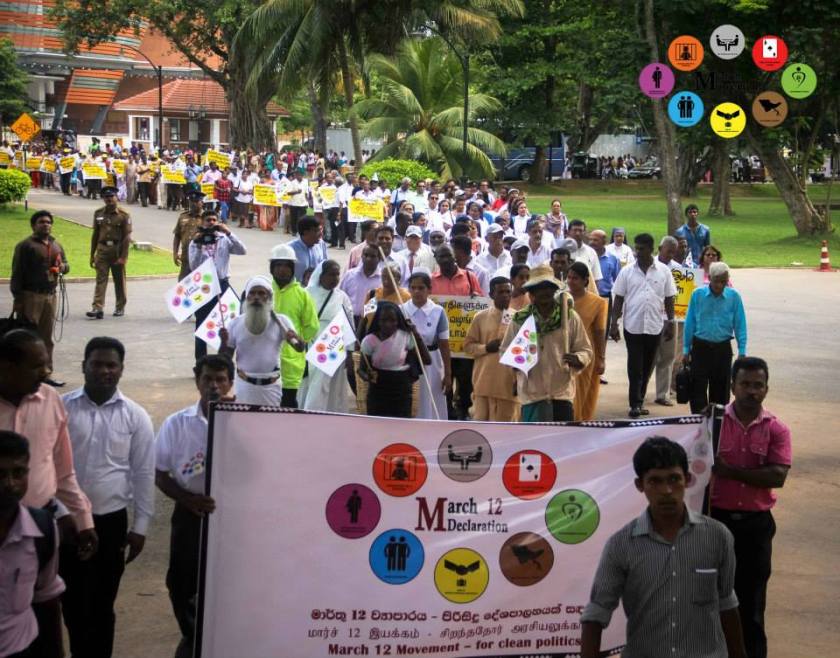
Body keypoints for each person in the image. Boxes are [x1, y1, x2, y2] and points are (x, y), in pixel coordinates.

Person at [580, 437, 747, 658]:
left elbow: (727, 603)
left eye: (674, 479)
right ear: (640, 485)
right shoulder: (621, 545)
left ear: (687, 480)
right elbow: (596, 613)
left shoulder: (718, 536)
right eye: (655, 481)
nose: (667, 490)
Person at [60, 337, 155, 658]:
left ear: (121, 370)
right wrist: (60, 516)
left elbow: (143, 473)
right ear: (84, 366)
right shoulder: (62, 409)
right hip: (67, 522)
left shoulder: (135, 416)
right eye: (97, 364)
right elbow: (49, 467)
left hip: (112, 522)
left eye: (111, 365)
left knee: (103, 604)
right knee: (72, 603)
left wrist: (140, 526)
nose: (104, 371)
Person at [710, 357, 790, 658]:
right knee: (709, 599)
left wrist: (731, 473)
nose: (751, 391)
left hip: (756, 528)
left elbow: (778, 476)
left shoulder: (777, 429)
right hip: (716, 524)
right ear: (732, 387)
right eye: (745, 384)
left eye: (758, 385)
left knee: (752, 603)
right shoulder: (712, 423)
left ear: (767, 390)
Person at [155, 354, 232, 658]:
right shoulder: (177, 424)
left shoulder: (244, 423)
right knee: (182, 580)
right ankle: (192, 636)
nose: (213, 385)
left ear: (230, 382)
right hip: (189, 513)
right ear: (197, 380)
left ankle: (224, 638)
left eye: (220, 379)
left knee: (228, 580)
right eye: (207, 379)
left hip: (231, 518)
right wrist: (187, 499)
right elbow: (160, 473)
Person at [0, 329, 98, 555]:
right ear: (7, 367)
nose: (45, 373)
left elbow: (63, 471)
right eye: (36, 366)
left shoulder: (50, 399)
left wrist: (82, 518)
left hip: (39, 526)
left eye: (47, 365)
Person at [0, 430, 66, 658]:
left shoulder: (42, 529)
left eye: (18, 473)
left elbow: (47, 599)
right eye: (0, 474)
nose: (9, 484)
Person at [501, 264, 591, 422]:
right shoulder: (520, 320)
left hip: (561, 392)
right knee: (534, 444)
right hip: (532, 394)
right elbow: (505, 350)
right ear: (532, 292)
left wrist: (578, 358)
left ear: (554, 289)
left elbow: (585, 349)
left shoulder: (569, 317)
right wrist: (515, 362)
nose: (544, 292)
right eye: (539, 287)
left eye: (548, 287)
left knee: (561, 443)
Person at [610, 233, 676, 418]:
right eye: (636, 248)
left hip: (655, 326)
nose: (637, 252)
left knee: (647, 366)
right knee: (635, 366)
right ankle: (635, 404)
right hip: (633, 326)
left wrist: (670, 322)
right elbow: (619, 298)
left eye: (642, 249)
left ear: (651, 249)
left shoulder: (663, 271)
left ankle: (640, 398)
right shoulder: (627, 272)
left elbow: (670, 297)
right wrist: (614, 323)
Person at [219, 275, 303, 406]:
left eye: (261, 293)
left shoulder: (281, 322)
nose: (256, 297)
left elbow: (299, 348)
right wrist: (223, 342)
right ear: (247, 298)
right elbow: (224, 359)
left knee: (269, 424)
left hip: (271, 387)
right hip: (244, 386)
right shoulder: (235, 323)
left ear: (269, 298)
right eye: (252, 293)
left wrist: (295, 338)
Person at [10, 210, 69, 384]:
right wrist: (18, 299)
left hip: (50, 295)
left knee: (47, 337)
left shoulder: (56, 245)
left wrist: (61, 268)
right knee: (28, 336)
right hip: (31, 296)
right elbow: (17, 273)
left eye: (49, 222)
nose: (46, 225)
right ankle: (25, 374)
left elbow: (67, 265)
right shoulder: (25, 246)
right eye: (42, 222)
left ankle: (46, 373)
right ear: (34, 225)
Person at [684, 262, 747, 413]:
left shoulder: (734, 297)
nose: (720, 285)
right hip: (700, 348)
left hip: (722, 349)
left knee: (720, 393)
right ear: (709, 278)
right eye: (717, 281)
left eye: (723, 281)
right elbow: (690, 322)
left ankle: (717, 427)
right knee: (697, 390)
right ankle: (699, 426)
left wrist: (742, 350)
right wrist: (686, 349)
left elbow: (740, 324)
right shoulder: (697, 295)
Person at [431, 245, 483, 420]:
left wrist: (476, 296)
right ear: (436, 259)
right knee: (445, 377)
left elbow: (481, 304)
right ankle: (447, 411)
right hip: (442, 341)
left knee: (466, 379)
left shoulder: (469, 277)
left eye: (448, 256)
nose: (445, 260)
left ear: (455, 256)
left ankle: (463, 410)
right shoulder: (432, 280)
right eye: (441, 256)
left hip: (464, 341)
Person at [188, 209, 247, 363]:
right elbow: (193, 265)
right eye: (208, 220)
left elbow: (242, 250)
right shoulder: (196, 241)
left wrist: (228, 233)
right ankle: (200, 362)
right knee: (201, 324)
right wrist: (199, 245)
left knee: (230, 321)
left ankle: (225, 360)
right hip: (204, 286)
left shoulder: (224, 239)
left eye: (214, 220)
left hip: (222, 283)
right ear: (202, 222)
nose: (211, 223)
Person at [358, 302, 431, 418]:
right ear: (378, 321)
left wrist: (415, 333)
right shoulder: (369, 341)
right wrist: (368, 376)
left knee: (400, 429)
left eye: (392, 320)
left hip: (402, 390)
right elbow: (361, 370)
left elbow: (427, 360)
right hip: (378, 391)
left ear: (398, 321)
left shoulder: (405, 337)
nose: (388, 324)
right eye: (384, 320)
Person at [300, 262, 355, 412]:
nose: (335, 278)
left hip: (334, 347)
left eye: (337, 274)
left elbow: (349, 324)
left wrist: (350, 352)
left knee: (332, 388)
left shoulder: (342, 297)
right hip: (311, 344)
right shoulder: (306, 293)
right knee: (313, 385)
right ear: (321, 275)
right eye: (331, 274)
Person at [270, 244, 320, 408]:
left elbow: (311, 325)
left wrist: (298, 341)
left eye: (286, 265)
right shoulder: (264, 290)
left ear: (292, 268)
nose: (282, 269)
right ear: (272, 268)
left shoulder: (302, 294)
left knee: (289, 405)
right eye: (278, 265)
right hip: (267, 362)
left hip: (292, 363)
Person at [463, 276, 519, 421]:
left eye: (508, 291)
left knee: (506, 432)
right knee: (482, 429)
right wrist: (486, 348)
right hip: (483, 383)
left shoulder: (519, 318)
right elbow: (468, 347)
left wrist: (519, 381)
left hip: (508, 385)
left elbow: (524, 354)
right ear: (491, 294)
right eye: (501, 292)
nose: (505, 295)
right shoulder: (480, 317)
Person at [400, 270, 450, 420]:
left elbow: (444, 344)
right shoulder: (402, 310)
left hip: (432, 362)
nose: (416, 292)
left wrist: (448, 374)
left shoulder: (438, 312)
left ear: (429, 289)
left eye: (421, 288)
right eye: (413, 288)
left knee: (432, 399)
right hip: (409, 360)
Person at [567, 263, 607, 420]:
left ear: (585, 281)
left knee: (582, 394)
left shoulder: (598, 302)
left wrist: (601, 359)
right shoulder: (561, 298)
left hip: (586, 355)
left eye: (575, 278)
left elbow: (599, 332)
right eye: (569, 277)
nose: (570, 281)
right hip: (563, 352)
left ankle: (579, 425)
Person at [86, 187, 131, 320]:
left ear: (116, 197)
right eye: (106, 197)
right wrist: (92, 254)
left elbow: (127, 237)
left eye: (111, 196)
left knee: (119, 281)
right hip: (102, 250)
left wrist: (123, 257)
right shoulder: (98, 213)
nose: (109, 199)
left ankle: (120, 306)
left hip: (117, 250)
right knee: (101, 279)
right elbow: (95, 234)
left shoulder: (124, 215)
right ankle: (97, 307)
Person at [652, 236, 683, 407]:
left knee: (668, 356)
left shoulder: (679, 270)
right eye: (668, 250)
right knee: (649, 357)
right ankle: (639, 393)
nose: (671, 254)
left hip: (671, 319)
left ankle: (662, 394)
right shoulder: (650, 266)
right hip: (652, 318)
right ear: (660, 248)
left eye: (674, 251)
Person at [340, 245, 382, 326]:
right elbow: (341, 297)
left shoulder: (382, 279)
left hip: (371, 322)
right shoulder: (350, 275)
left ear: (379, 259)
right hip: (349, 320)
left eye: (373, 256)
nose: (368, 259)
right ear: (361, 256)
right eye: (366, 255)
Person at [172, 189, 205, 281]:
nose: (193, 204)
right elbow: (177, 235)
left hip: (201, 259)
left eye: (196, 201)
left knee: (199, 288)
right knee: (182, 286)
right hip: (185, 258)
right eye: (191, 201)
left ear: (202, 203)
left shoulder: (207, 218)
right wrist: (175, 253)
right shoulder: (183, 217)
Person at [288, 216, 329, 284]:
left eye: (321, 230)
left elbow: (325, 267)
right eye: (317, 231)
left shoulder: (321, 244)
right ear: (305, 232)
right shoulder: (290, 249)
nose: (321, 234)